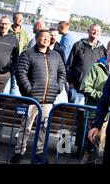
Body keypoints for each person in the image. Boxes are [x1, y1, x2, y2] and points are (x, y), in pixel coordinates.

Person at [10, 29, 67, 164]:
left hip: (48, 100)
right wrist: (29, 91)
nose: (46, 39)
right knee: (26, 127)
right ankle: (19, 152)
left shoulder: (56, 56)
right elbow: (20, 73)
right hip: (31, 99)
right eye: (43, 37)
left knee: (43, 128)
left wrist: (58, 88)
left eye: (48, 37)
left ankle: (39, 153)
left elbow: (62, 73)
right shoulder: (28, 54)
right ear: (36, 39)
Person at [66, 23, 106, 156]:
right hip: (78, 91)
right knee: (80, 122)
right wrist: (71, 83)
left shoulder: (102, 49)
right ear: (88, 31)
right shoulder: (78, 45)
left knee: (90, 122)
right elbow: (69, 65)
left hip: (93, 94)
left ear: (100, 33)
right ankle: (79, 148)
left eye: (97, 31)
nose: (94, 32)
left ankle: (88, 150)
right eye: (92, 30)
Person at [80, 38, 110, 164]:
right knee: (93, 147)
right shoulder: (97, 67)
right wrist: (103, 96)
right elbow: (84, 87)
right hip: (95, 112)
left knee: (99, 149)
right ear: (107, 50)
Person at [0, 15, 19, 93]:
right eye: (2, 23)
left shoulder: (14, 39)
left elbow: (16, 56)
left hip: (4, 74)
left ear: (9, 25)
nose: (4, 26)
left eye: (6, 24)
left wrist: (11, 72)